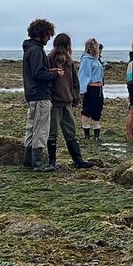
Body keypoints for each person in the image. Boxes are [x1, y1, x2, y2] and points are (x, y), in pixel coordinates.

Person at [45, 32, 92, 171]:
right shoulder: (50, 60)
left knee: (69, 131)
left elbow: (75, 81)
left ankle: (77, 160)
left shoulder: (69, 62)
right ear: (67, 45)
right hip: (56, 102)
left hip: (66, 102)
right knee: (53, 132)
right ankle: (52, 162)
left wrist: (75, 97)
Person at [21, 18, 57, 169]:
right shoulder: (37, 51)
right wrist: (54, 75)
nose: (49, 38)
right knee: (41, 128)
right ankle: (37, 162)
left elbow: (37, 72)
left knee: (31, 127)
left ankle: (28, 160)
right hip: (40, 94)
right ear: (42, 33)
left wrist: (49, 71)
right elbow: (38, 74)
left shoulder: (29, 49)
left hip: (31, 94)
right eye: (48, 34)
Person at [78, 37, 105, 141]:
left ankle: (97, 135)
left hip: (99, 88)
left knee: (97, 110)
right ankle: (87, 135)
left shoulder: (96, 59)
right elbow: (83, 75)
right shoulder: (86, 60)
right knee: (87, 110)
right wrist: (82, 91)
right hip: (91, 88)